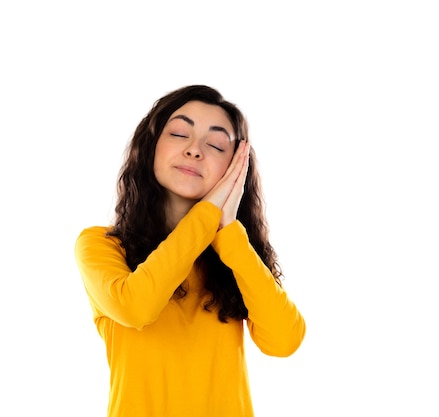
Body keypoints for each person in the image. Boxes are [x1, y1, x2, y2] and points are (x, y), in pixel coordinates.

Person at [74, 85, 306, 417]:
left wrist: (228, 235)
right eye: (180, 133)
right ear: (151, 146)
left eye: (215, 144)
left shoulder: (234, 255)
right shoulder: (102, 245)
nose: (194, 150)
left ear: (236, 168)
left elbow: (284, 341)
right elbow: (136, 307)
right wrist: (209, 214)